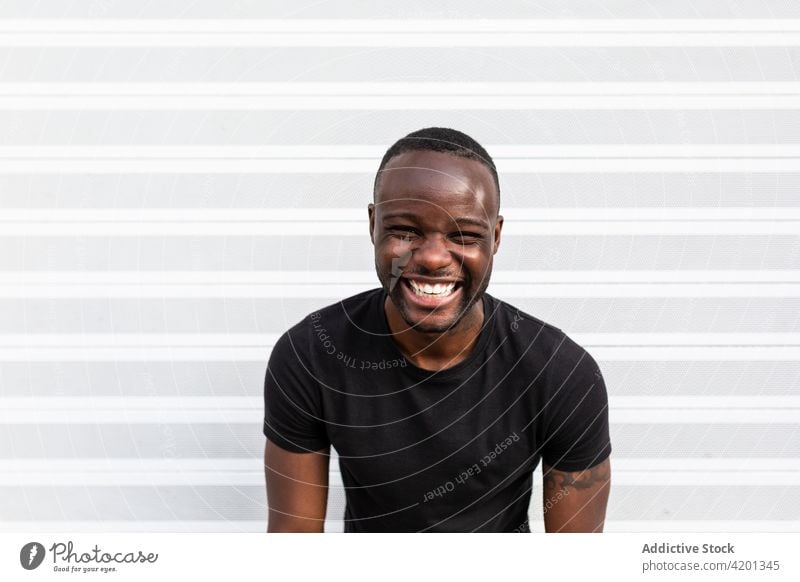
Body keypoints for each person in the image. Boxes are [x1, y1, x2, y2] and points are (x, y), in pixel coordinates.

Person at [263, 127, 612, 532]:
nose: (431, 258)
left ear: (495, 237)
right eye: (405, 231)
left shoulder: (563, 373)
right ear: (373, 224)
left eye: (462, 235)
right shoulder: (311, 354)